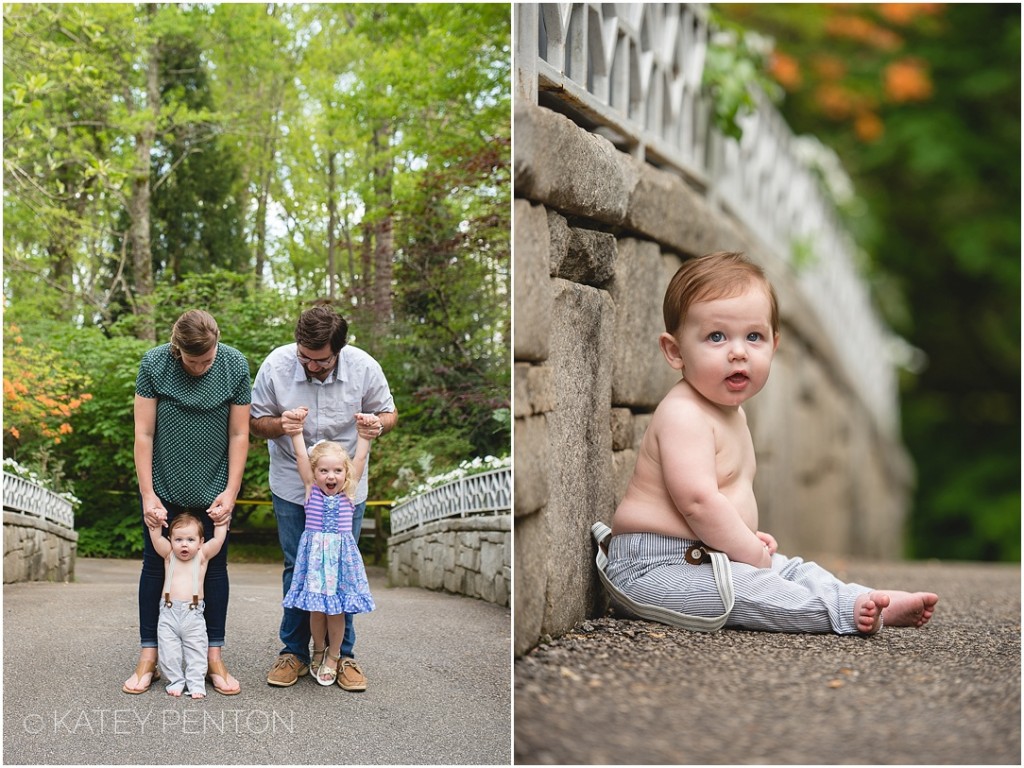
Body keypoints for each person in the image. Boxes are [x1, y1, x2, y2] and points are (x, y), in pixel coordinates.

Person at [606, 251, 938, 635]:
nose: (738, 351)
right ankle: (845, 611)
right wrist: (746, 550)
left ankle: (865, 597)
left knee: (795, 569)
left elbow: (723, 499)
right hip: (654, 569)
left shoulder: (730, 411)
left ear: (774, 345)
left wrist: (746, 538)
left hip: (706, 555)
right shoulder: (684, 414)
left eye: (754, 337)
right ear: (676, 351)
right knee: (754, 590)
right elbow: (697, 502)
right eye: (716, 337)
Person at [250, 302, 397, 690]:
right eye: (304, 357)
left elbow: (388, 413)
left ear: (339, 350)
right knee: (296, 564)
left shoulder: (364, 367)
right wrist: (280, 425)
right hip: (290, 480)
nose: (310, 366)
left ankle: (342, 655)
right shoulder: (276, 365)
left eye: (321, 361)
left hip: (345, 485)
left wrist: (374, 424)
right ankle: (294, 652)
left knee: (341, 572)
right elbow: (254, 421)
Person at [123, 309, 250, 696]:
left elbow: (239, 434)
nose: (201, 367)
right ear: (178, 350)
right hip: (165, 487)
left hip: (213, 489)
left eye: (207, 359)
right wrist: (148, 493)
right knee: (153, 568)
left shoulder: (235, 365)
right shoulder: (154, 363)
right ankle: (149, 656)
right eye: (194, 361)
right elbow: (143, 432)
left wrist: (230, 492)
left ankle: (213, 655)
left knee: (214, 570)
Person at [283, 414, 376, 687]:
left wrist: (364, 436)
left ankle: (335, 656)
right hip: (314, 561)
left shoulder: (349, 494)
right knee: (316, 611)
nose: (331, 476)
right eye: (324, 471)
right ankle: (318, 651)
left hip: (340, 563)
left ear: (345, 474)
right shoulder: (311, 491)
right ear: (314, 474)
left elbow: (358, 460)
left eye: (337, 470)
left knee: (336, 611)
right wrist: (296, 433)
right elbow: (302, 457)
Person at [148, 512, 228, 698]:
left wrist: (220, 522)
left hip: (193, 614)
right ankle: (176, 681)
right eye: (179, 539)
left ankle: (196, 683)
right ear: (171, 541)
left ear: (200, 542)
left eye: (190, 539)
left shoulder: (202, 556)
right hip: (168, 612)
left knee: (197, 650)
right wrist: (157, 520)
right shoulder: (169, 555)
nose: (184, 544)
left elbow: (218, 540)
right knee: (168, 652)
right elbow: (156, 537)